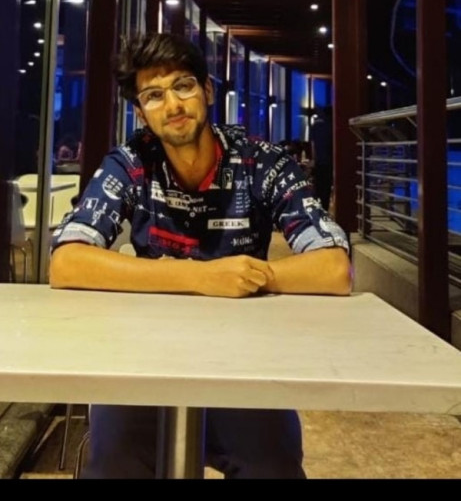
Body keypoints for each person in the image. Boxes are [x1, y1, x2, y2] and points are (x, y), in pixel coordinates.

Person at [50, 32, 351, 480]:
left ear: (207, 91)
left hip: (246, 361)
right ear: (141, 113)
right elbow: (67, 262)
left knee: (273, 467)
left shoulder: (262, 163)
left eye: (183, 86)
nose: (172, 104)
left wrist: (247, 276)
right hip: (145, 359)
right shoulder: (132, 163)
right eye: (154, 95)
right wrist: (198, 277)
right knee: (114, 465)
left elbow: (335, 267)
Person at [310, 107, 334, 213]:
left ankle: (318, 210)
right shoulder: (331, 125)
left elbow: (313, 145)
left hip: (318, 162)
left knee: (318, 188)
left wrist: (313, 160)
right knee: (326, 189)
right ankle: (324, 209)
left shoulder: (315, 125)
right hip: (328, 162)